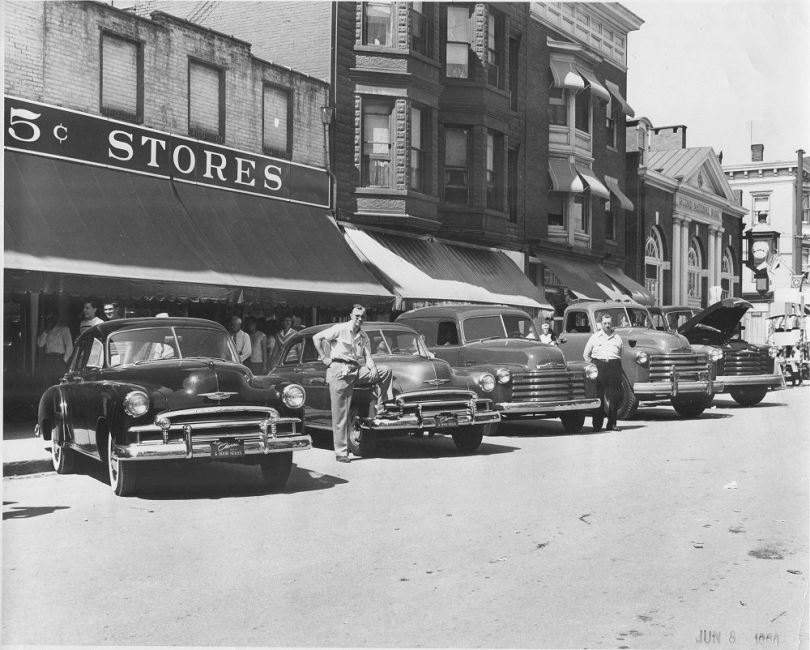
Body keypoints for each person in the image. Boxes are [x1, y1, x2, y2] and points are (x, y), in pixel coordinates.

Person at [312, 304, 394, 463]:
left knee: (385, 371)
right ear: (351, 316)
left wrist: (373, 368)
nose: (360, 319)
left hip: (356, 369)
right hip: (339, 370)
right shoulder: (340, 328)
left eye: (362, 316)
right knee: (340, 413)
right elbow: (317, 338)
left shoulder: (363, 336)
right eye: (357, 316)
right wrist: (324, 358)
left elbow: (368, 355)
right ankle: (341, 452)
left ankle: (383, 407)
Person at [583, 313, 624, 432]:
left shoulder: (617, 337)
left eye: (609, 323)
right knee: (599, 396)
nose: (607, 325)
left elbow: (621, 353)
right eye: (605, 323)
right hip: (599, 365)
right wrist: (594, 365)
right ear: (601, 324)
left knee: (614, 396)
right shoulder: (595, 337)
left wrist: (614, 363)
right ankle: (597, 425)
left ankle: (612, 423)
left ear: (612, 324)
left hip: (614, 365)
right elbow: (586, 354)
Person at [37, 313, 73, 387]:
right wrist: (46, 331)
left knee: (59, 384)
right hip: (48, 360)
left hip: (59, 360)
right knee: (47, 384)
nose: (51, 319)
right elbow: (40, 344)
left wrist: (64, 361)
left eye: (53, 317)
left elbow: (69, 347)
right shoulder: (46, 331)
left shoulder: (64, 329)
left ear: (57, 318)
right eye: (49, 317)